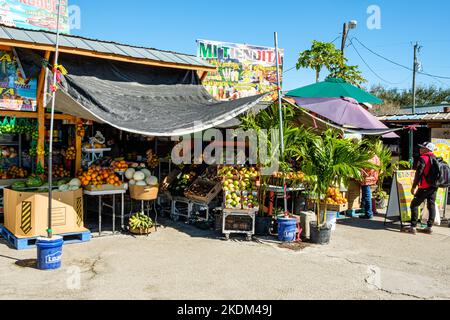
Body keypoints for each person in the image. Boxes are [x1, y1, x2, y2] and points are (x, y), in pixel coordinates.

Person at [409, 142, 438, 235]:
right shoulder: (436, 158)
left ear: (428, 150)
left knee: (414, 205)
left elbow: (418, 174)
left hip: (424, 186)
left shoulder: (423, 158)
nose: (420, 149)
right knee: (431, 205)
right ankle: (429, 227)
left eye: (423, 148)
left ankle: (413, 227)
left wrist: (414, 186)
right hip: (434, 186)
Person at [359, 153, 381, 220]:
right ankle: (368, 212)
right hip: (372, 178)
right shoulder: (376, 157)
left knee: (367, 196)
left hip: (367, 179)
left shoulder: (368, 158)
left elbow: (366, 168)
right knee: (367, 195)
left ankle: (368, 214)